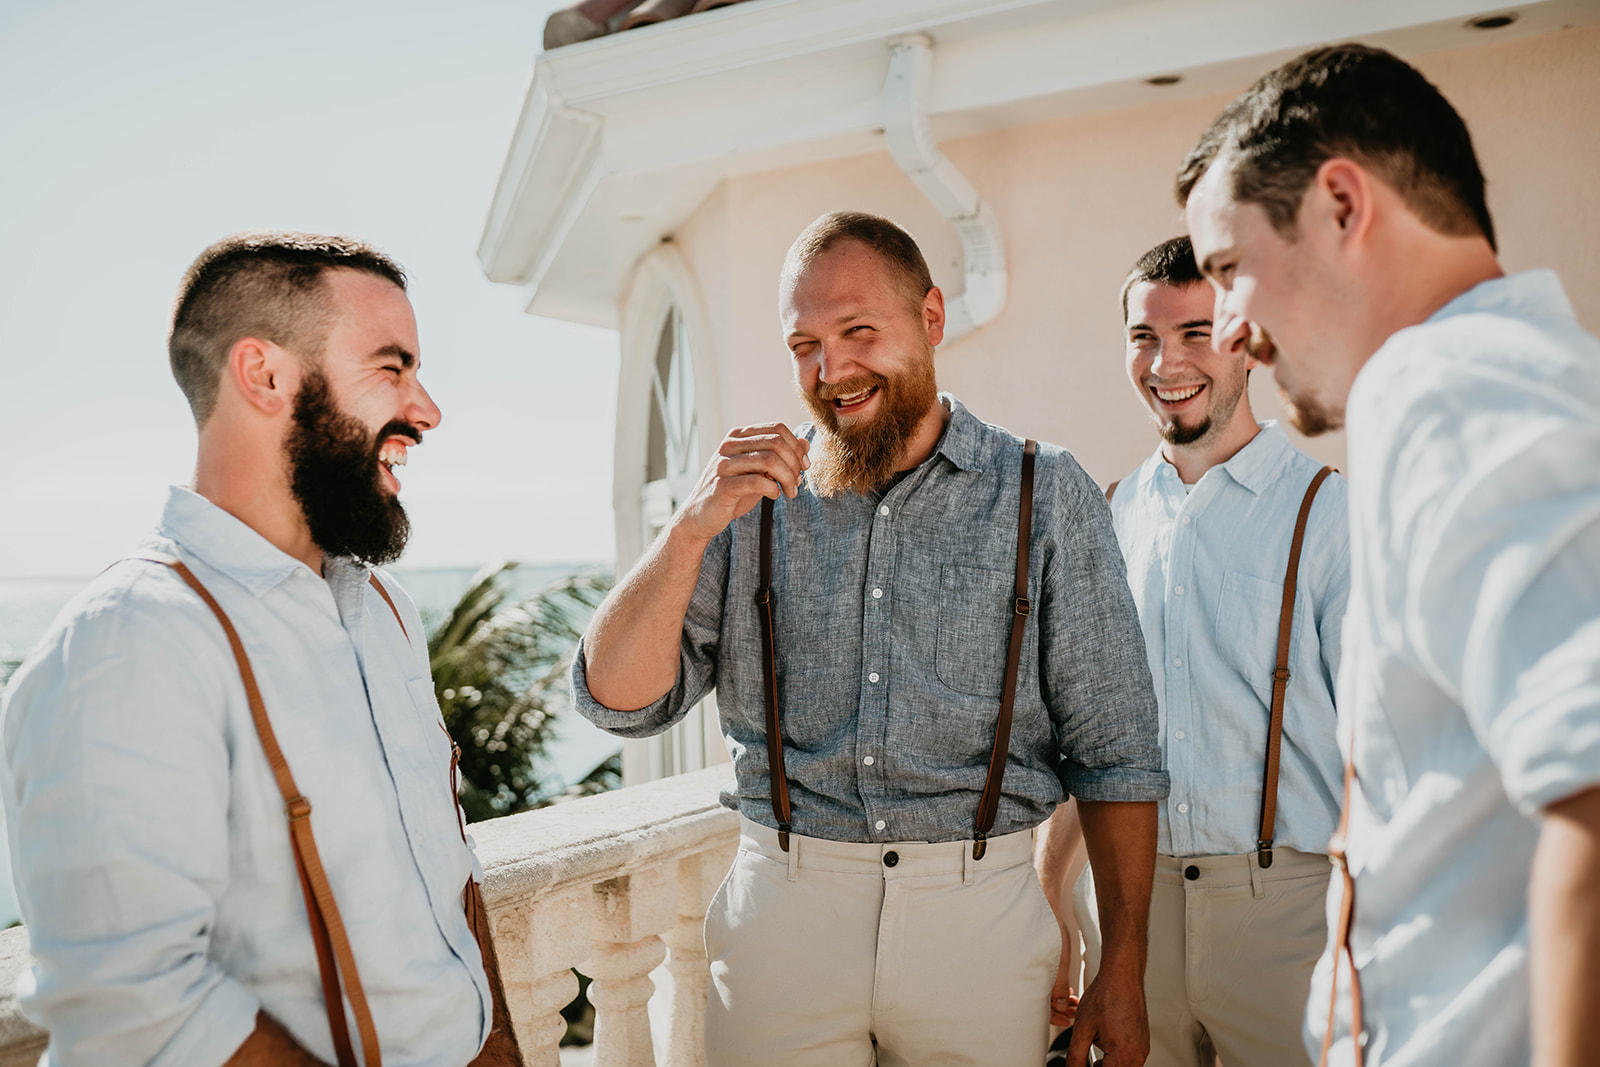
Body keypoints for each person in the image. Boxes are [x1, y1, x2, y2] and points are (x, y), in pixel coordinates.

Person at [573, 210, 1167, 1067]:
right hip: (782, 921)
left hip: (982, 926)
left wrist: (1126, 966)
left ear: (930, 320)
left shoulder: (1047, 494)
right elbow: (618, 703)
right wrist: (687, 531)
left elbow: (1116, 753)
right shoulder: (747, 506)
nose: (832, 369)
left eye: (858, 331)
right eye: (803, 344)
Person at [1, 233, 521, 1066]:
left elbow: (446, 870)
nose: (425, 409)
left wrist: (496, 1043)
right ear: (265, 374)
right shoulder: (125, 642)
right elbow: (137, 1013)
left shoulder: (383, 608)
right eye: (392, 369)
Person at [1179, 43, 1600, 1067]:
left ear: (1339, 203)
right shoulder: (1529, 376)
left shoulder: (1447, 388)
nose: (1228, 330)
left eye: (1231, 270)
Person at [1045, 234, 1349, 1067]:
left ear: (1246, 341)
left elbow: (1382, 751)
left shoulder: (1327, 516)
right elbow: (1090, 744)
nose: (1166, 361)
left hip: (1290, 915)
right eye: (1144, 337)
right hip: (1135, 925)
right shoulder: (1107, 517)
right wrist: (1054, 896)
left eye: (1195, 332)